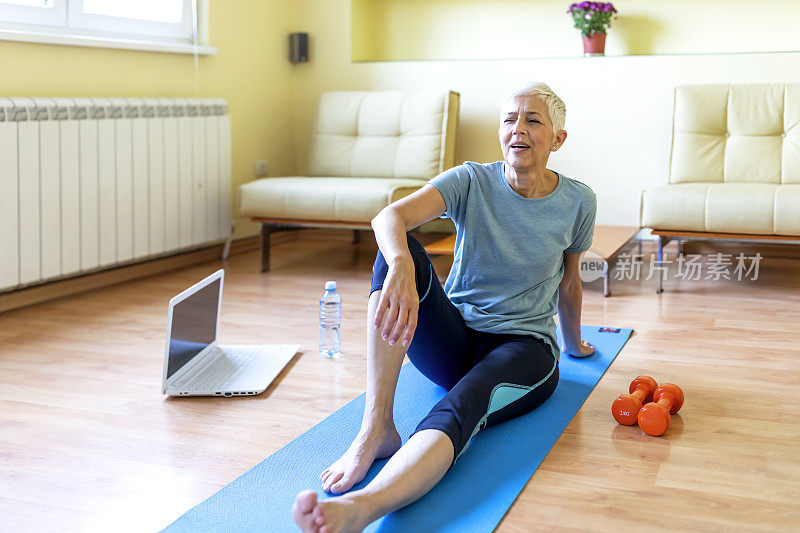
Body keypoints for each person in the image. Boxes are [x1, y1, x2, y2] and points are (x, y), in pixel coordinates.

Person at [292, 81, 597, 533]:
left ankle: (362, 507)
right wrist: (398, 262)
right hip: (456, 338)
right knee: (397, 253)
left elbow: (570, 284)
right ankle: (376, 428)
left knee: (465, 403)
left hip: (523, 347)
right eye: (510, 119)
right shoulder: (471, 180)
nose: (519, 128)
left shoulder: (578, 201)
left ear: (558, 139)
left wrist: (575, 347)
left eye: (534, 120)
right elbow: (388, 218)